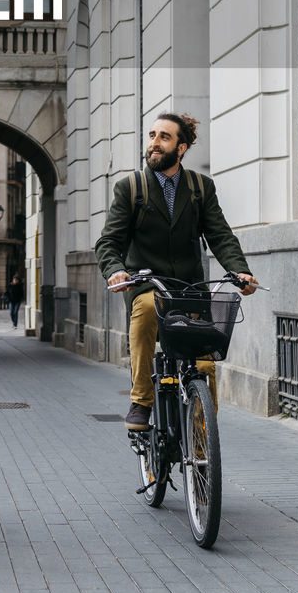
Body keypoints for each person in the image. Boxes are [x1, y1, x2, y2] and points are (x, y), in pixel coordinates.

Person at [95, 113, 258, 431]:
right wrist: (115, 270)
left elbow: (220, 235)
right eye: (152, 135)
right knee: (144, 309)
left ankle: (201, 450)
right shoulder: (131, 188)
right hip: (147, 285)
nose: (154, 143)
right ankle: (141, 399)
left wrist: (240, 271)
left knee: (204, 365)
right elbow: (109, 241)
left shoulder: (200, 187)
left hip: (190, 291)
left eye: (164, 137)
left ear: (181, 147)